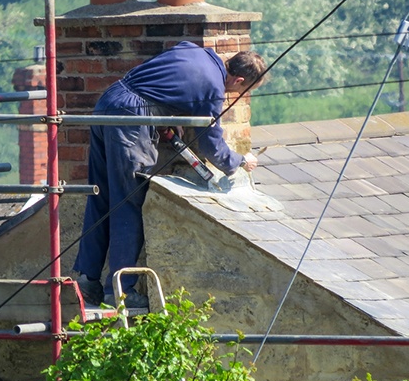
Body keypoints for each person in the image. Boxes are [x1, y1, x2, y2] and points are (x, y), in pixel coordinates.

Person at [74, 41, 266, 307]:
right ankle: (121, 292)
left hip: (109, 101)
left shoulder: (192, 49)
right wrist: (239, 161)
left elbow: (162, 85)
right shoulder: (213, 89)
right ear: (240, 80)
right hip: (132, 120)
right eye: (242, 90)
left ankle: (87, 280)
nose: (236, 95)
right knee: (127, 202)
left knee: (100, 194)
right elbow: (211, 144)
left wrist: (165, 115)